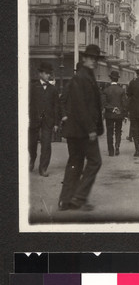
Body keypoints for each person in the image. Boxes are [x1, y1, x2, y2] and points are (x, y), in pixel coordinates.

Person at [58, 44, 104, 211]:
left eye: (96, 59)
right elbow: (81, 106)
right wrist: (91, 128)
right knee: (95, 162)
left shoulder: (85, 76)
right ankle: (79, 197)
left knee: (75, 162)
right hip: (83, 131)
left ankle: (65, 200)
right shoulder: (82, 77)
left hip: (76, 130)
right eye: (91, 58)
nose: (94, 61)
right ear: (84, 58)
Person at [28, 62, 59, 176]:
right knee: (31, 143)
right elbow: (28, 103)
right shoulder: (32, 87)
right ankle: (32, 159)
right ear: (40, 74)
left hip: (48, 121)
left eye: (49, 74)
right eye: (46, 73)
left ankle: (43, 168)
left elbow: (56, 107)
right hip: (34, 119)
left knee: (46, 145)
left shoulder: (53, 89)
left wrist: (56, 123)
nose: (48, 76)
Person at [102, 70, 127, 156]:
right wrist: (124, 114)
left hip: (109, 114)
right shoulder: (121, 90)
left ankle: (111, 150)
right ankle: (117, 146)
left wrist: (112, 108)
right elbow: (124, 103)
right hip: (119, 114)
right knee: (118, 131)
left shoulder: (106, 90)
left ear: (110, 79)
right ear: (117, 80)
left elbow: (104, 103)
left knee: (109, 132)